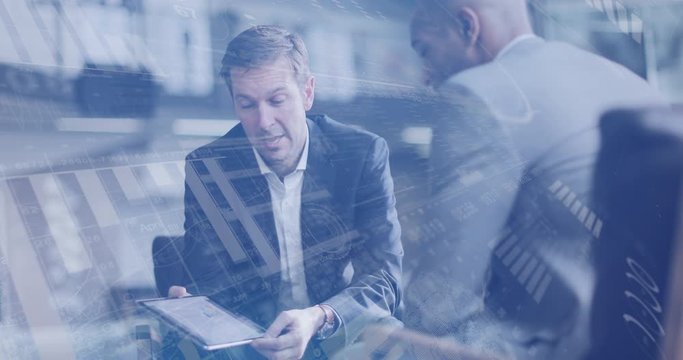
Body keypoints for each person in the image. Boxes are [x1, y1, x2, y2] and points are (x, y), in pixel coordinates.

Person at [396, 0, 667, 359]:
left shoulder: (476, 95)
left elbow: (440, 302)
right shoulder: (630, 82)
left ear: (467, 27)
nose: (425, 76)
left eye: (426, 51)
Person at [169, 25, 403, 360]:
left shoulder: (361, 154)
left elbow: (384, 278)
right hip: (253, 340)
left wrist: (318, 317)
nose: (264, 121)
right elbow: (211, 279)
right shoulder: (210, 167)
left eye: (277, 100)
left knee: (388, 334)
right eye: (247, 104)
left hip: (335, 329)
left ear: (307, 93)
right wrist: (192, 303)